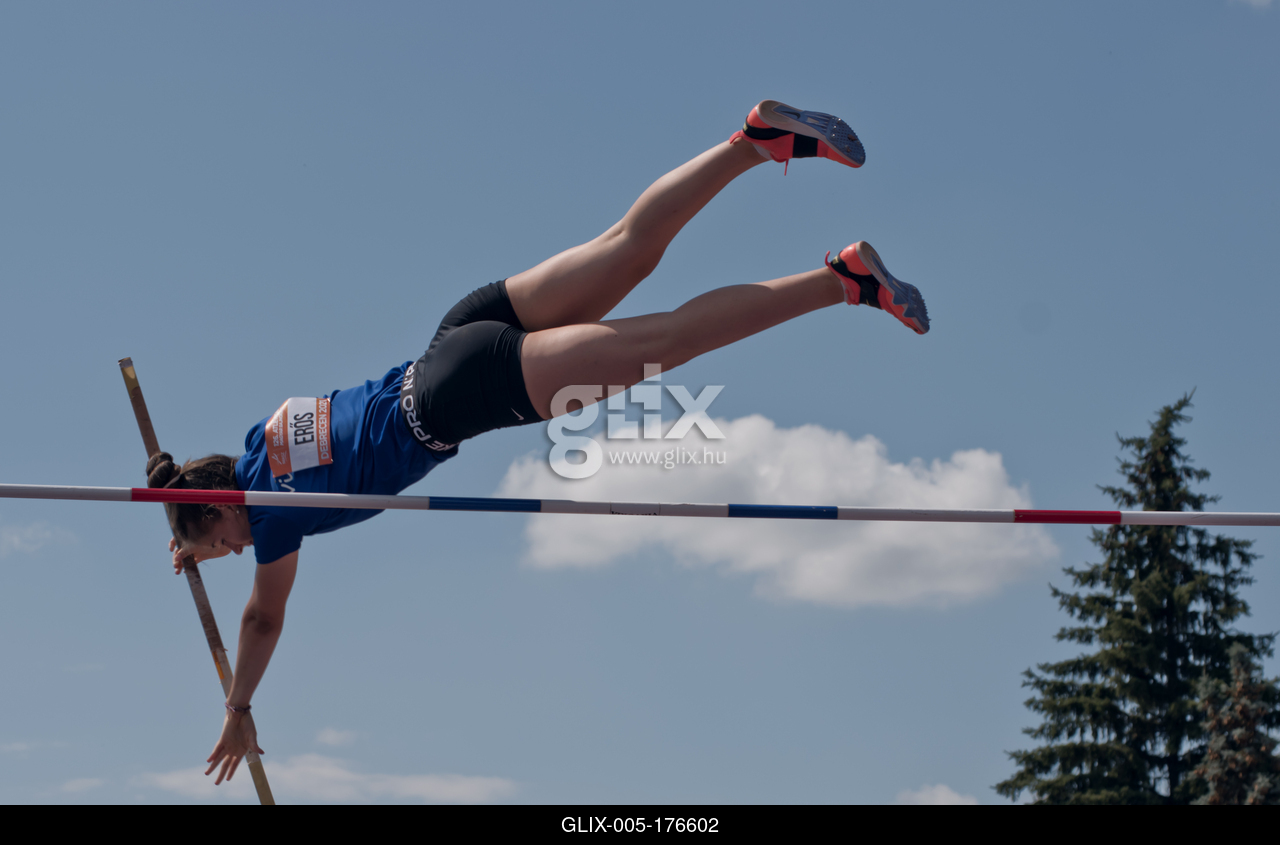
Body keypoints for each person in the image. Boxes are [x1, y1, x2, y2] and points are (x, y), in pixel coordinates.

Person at [147, 100, 930, 785]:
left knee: (667, 342)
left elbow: (262, 620)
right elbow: (229, 504)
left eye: (225, 541)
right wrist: (192, 540)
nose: (239, 548)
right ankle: (755, 140)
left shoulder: (270, 511)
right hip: (451, 339)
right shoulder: (262, 442)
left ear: (220, 504)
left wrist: (238, 708)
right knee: (629, 245)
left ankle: (843, 281)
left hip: (458, 397)